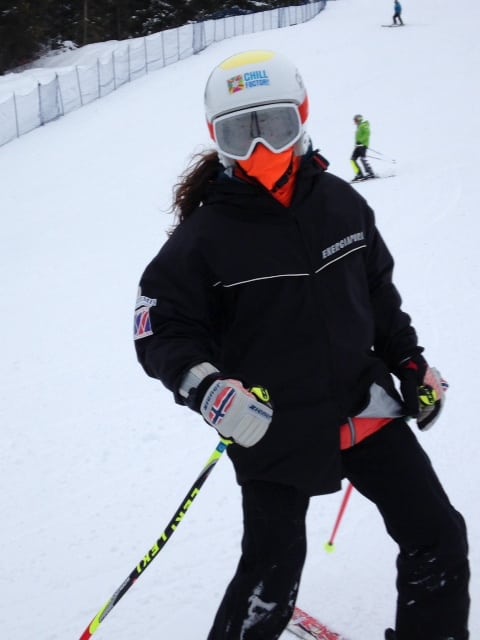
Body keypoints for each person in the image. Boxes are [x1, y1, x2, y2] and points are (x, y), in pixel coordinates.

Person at [134, 50, 470, 640]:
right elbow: (161, 328)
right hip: (272, 424)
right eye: (240, 134)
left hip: (364, 409)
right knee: (271, 573)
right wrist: (207, 388)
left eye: (276, 126)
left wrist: (411, 364)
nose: (261, 149)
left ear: (303, 116)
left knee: (437, 536)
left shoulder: (341, 203)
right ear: (216, 137)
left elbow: (378, 297)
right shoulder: (204, 238)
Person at [351, 113, 375, 181]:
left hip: (363, 145)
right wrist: (357, 143)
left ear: (359, 119)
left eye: (355, 120)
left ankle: (370, 173)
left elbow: (367, 133)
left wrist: (360, 141)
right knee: (352, 159)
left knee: (362, 159)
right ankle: (359, 174)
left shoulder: (363, 125)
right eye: (354, 120)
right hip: (358, 146)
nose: (354, 122)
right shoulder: (359, 127)